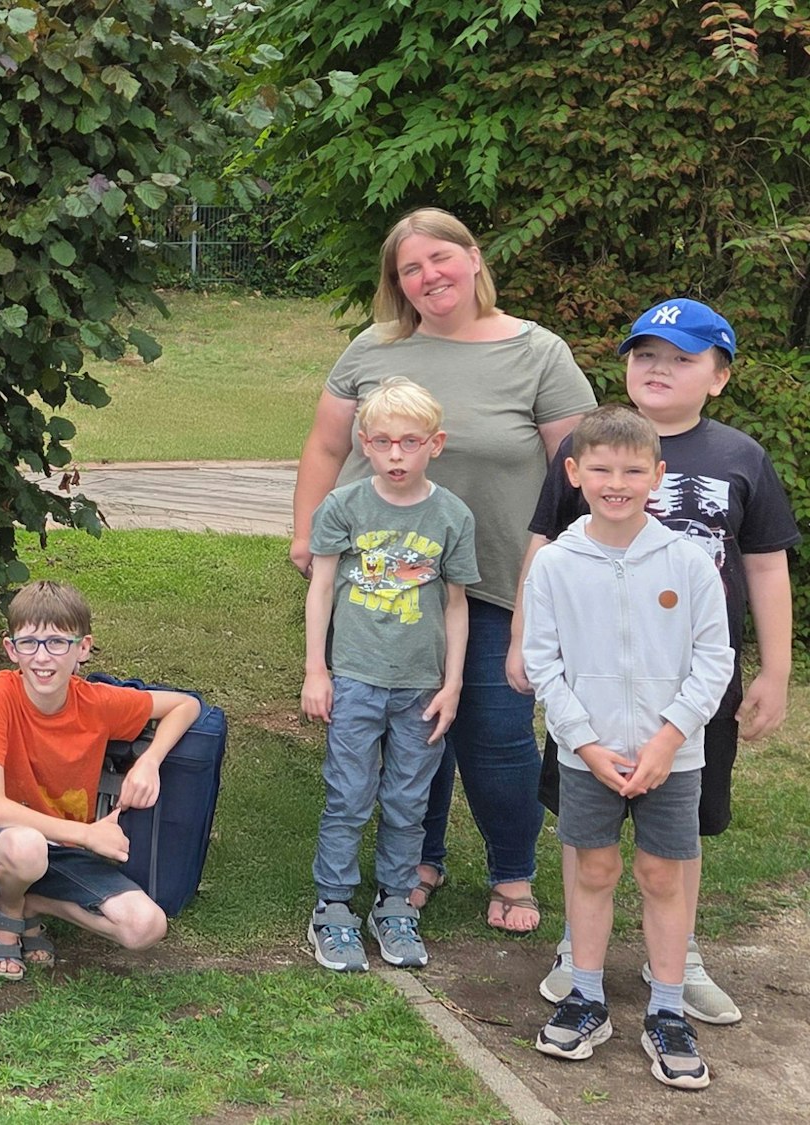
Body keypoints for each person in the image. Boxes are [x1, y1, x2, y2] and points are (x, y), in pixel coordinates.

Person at [289, 208, 596, 933]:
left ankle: (512, 871)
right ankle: (416, 862)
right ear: (397, 284)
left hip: (493, 577)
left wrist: (573, 561)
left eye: (439, 259)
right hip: (382, 586)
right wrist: (307, 533)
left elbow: (576, 470)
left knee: (493, 728)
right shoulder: (372, 348)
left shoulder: (538, 351)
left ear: (473, 255)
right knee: (406, 728)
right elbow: (326, 448)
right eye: (409, 269)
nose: (429, 277)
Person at [516, 299, 799, 1025]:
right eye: (646, 355)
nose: (660, 369)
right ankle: (578, 953)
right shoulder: (579, 449)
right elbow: (545, 542)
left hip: (691, 689)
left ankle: (680, 954)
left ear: (719, 376)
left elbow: (765, 565)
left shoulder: (740, 457)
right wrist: (522, 634)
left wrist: (773, 670)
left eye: (681, 358)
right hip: (592, 687)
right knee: (586, 817)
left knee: (680, 827)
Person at [522, 404, 732, 1090]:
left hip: (675, 755)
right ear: (576, 472)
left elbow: (714, 660)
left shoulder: (690, 560)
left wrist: (670, 738)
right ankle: (586, 996)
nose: (618, 481)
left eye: (634, 468)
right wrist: (584, 744)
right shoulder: (555, 563)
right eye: (602, 468)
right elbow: (544, 664)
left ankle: (667, 1010)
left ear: (658, 477)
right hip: (592, 754)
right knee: (593, 870)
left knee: (663, 875)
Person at [300, 378, 478, 972]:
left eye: (410, 442)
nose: (396, 454)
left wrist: (452, 685)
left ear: (436, 443)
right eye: (383, 442)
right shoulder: (344, 507)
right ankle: (333, 906)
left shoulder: (452, 515)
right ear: (364, 444)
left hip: (423, 687)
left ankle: (395, 904)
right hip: (353, 678)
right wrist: (315, 670)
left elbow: (456, 603)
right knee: (349, 794)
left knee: (409, 800)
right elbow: (321, 588)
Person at [0, 580, 200, 979]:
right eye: (29, 643)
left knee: (146, 927)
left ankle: (33, 904)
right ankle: (6, 907)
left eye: (58, 642)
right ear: (11, 649)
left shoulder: (96, 702)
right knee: (27, 846)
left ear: (83, 648)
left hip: (61, 846)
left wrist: (150, 761)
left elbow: (186, 705)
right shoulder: (0, 693)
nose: (43, 657)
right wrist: (88, 836)